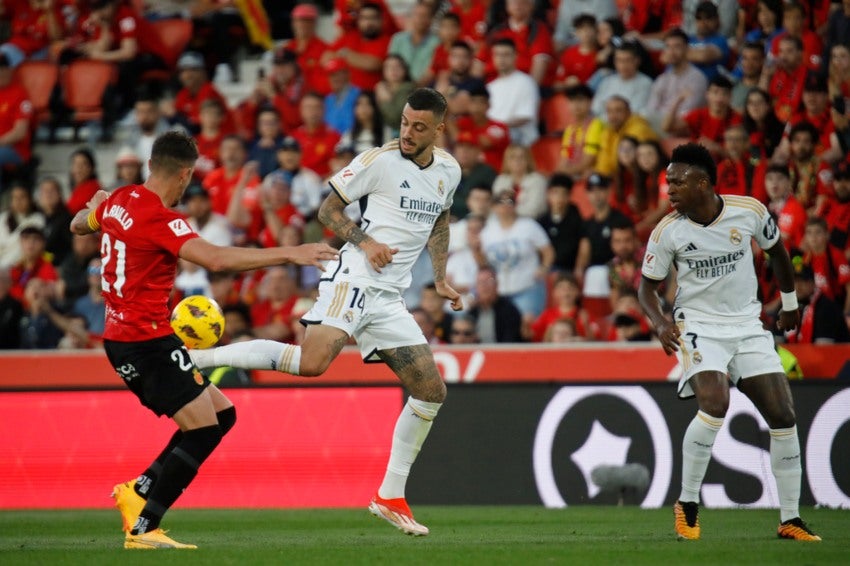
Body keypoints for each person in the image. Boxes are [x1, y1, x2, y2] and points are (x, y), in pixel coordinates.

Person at [188, 89, 463, 537]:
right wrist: (366, 242)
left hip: (389, 295)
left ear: (439, 129)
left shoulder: (449, 170)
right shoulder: (380, 161)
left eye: (418, 126)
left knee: (431, 390)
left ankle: (390, 495)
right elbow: (327, 210)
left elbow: (440, 221)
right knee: (312, 363)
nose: (408, 133)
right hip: (354, 275)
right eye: (405, 122)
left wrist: (440, 278)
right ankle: (197, 360)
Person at [69, 131, 337, 549]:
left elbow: (76, 224)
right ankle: (143, 528)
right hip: (144, 342)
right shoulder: (161, 218)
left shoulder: (118, 200)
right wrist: (290, 253)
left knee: (222, 415)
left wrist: (95, 209)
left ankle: (138, 489)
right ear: (185, 174)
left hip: (135, 336)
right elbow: (216, 259)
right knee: (200, 429)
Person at [637, 142, 821, 542]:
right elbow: (646, 288)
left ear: (703, 183)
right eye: (667, 182)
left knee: (783, 414)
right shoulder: (668, 230)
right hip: (698, 325)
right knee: (715, 402)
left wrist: (789, 304)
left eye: (677, 182)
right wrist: (659, 322)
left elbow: (778, 253)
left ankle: (790, 518)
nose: (669, 190)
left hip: (747, 325)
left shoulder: (749, 211)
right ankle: (687, 504)